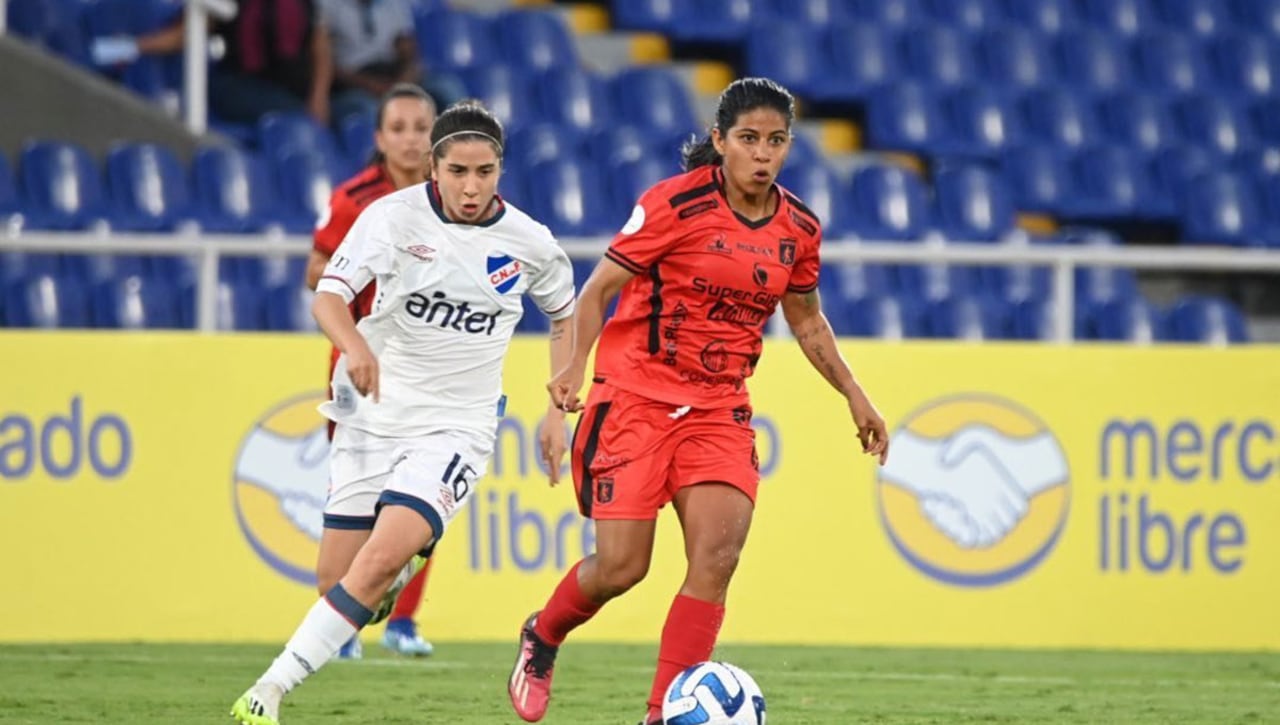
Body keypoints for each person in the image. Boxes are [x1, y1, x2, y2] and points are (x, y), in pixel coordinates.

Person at [505, 77, 890, 725]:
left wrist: (855, 393)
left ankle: (660, 715)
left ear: (789, 146)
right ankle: (542, 634)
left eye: (775, 141)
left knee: (717, 556)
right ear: (720, 141)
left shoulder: (798, 228)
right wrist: (570, 374)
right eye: (747, 139)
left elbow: (807, 320)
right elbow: (598, 291)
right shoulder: (673, 205)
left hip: (718, 409)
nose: (762, 154)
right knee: (622, 567)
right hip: (633, 398)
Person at [231, 100, 577, 725]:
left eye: (485, 172)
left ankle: (268, 692)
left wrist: (559, 399)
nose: (472, 187)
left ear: (501, 169)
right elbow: (328, 298)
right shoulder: (388, 218)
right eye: (458, 172)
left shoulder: (531, 245)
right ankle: (396, 570)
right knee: (340, 582)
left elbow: (563, 315)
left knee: (380, 560)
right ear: (432, 170)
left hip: (458, 426)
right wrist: (356, 346)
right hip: (373, 413)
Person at [307, 82, 438, 659]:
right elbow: (317, 270)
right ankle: (345, 627)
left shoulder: (454, 200)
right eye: (400, 128)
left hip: (429, 373)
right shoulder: (354, 198)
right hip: (360, 373)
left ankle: (403, 622)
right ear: (380, 138)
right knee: (363, 508)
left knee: (423, 506)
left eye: (421, 128)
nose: (411, 140)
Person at [107, 0, 334, 125]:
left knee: (355, 112)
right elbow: (183, 34)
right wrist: (130, 46)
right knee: (298, 121)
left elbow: (321, 51)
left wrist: (319, 96)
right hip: (238, 84)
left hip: (292, 89)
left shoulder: (307, 4)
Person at [318, 0, 465, 121]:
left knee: (446, 87)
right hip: (356, 82)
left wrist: (403, 80)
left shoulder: (393, 4)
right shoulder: (326, 6)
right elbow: (326, 61)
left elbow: (408, 48)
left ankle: (466, 148)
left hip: (394, 73)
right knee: (369, 111)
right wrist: (371, 86)